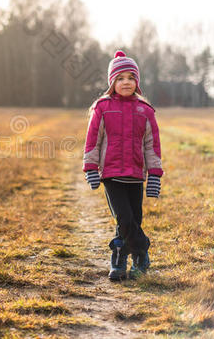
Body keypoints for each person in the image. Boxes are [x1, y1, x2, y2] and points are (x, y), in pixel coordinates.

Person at [82, 50, 164, 281]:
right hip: (111, 176)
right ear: (112, 82)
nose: (125, 82)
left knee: (133, 221)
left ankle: (124, 261)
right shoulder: (103, 107)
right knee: (124, 219)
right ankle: (142, 250)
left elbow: (152, 145)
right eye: (120, 78)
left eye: (130, 77)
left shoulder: (145, 111)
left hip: (136, 176)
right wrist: (91, 168)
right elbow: (92, 141)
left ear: (136, 82)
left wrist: (154, 175)